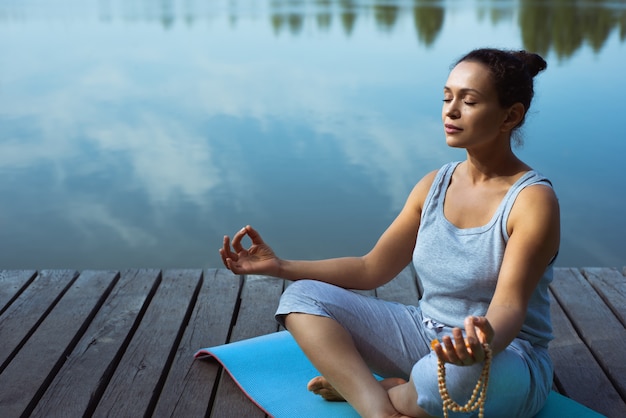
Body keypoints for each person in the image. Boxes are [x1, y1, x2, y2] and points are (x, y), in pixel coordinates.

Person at [220, 48, 559, 418]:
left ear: (511, 116)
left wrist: (481, 344)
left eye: (469, 101)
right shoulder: (434, 184)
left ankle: (388, 391)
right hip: (424, 334)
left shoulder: (532, 200)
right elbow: (371, 269)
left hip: (503, 355)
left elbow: (509, 306)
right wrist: (281, 266)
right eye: (447, 97)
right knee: (301, 299)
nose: (451, 110)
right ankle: (378, 407)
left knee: (440, 379)